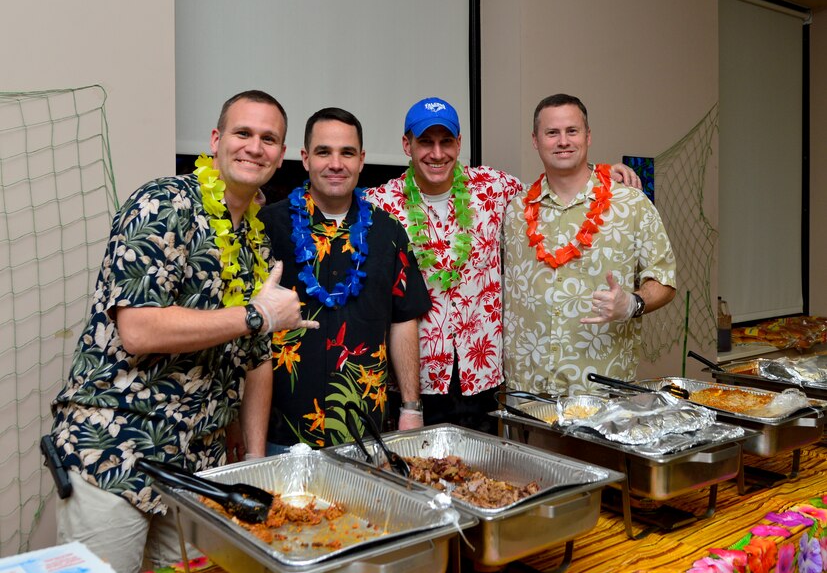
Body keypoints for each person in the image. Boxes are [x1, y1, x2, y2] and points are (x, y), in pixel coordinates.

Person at [47, 90, 318, 573]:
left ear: (280, 155)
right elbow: (138, 329)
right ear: (216, 140)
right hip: (117, 454)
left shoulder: (255, 242)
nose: (255, 147)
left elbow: (256, 361)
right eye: (243, 133)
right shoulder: (162, 203)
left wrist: (253, 462)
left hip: (198, 469)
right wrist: (257, 315)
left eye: (269, 138)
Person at [366, 97, 644, 433]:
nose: (437, 154)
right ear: (406, 145)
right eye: (425, 142)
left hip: (480, 376)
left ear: (459, 144)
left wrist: (600, 173)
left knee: (482, 478)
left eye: (446, 142)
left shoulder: (494, 189)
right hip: (414, 380)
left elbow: (556, 192)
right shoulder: (379, 205)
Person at [259, 107, 431, 452]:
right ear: (305, 158)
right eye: (324, 152)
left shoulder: (389, 232)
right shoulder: (266, 227)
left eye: (347, 153)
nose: (336, 164)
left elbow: (403, 322)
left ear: (362, 159)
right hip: (279, 433)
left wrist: (411, 408)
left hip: (366, 431)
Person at [503, 93, 676, 396]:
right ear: (535, 140)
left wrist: (631, 304)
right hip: (527, 392)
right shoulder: (514, 210)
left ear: (588, 136)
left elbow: (664, 281)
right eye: (552, 133)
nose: (563, 141)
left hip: (601, 390)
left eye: (572, 131)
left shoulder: (631, 204)